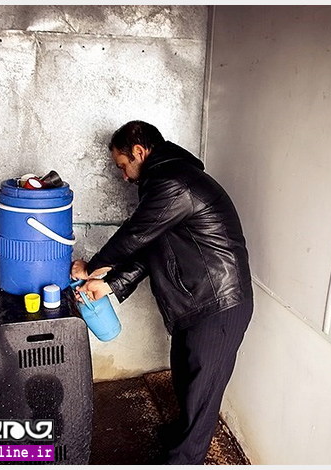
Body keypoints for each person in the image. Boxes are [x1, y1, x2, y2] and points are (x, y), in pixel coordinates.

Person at [71, 120, 253, 465]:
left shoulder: (174, 182)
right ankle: (179, 438)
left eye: (123, 165)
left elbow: (135, 235)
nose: (123, 176)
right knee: (185, 379)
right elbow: (149, 250)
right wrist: (109, 284)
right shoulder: (167, 183)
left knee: (202, 398)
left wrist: (93, 267)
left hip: (219, 303)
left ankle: (184, 459)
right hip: (196, 302)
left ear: (139, 152)